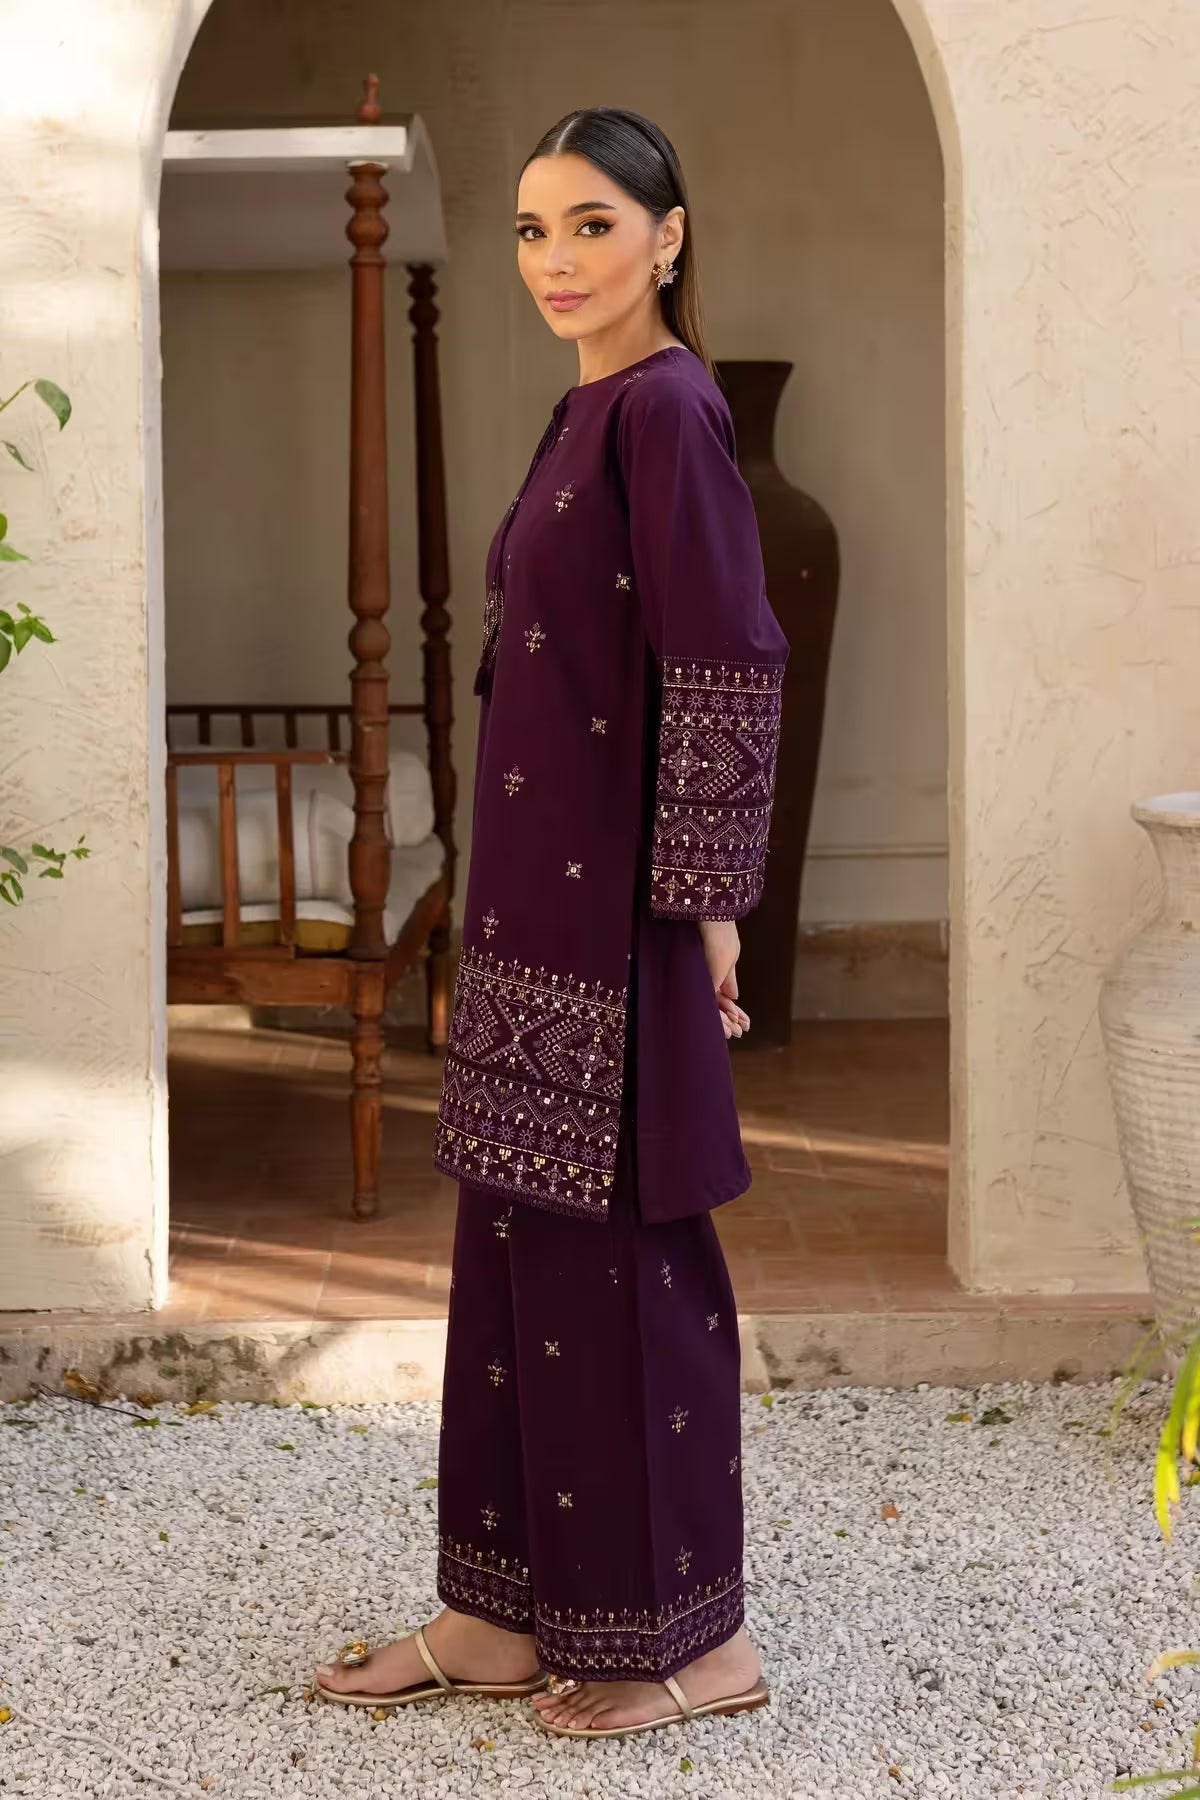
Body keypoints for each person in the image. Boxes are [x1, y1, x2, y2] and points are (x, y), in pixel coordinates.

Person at [314, 104, 788, 1742]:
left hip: (617, 924)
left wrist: (711, 910)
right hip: (533, 917)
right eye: (531, 230)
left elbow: (724, 660)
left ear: (668, 237)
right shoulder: (586, 411)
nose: (555, 261)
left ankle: (691, 1641)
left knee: (627, 1265)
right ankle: (500, 1613)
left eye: (591, 225)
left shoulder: (669, 415)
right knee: (515, 1260)